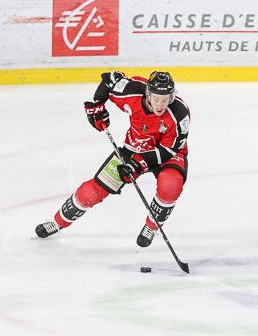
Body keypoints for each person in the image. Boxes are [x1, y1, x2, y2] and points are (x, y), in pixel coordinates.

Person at [36, 71, 191, 247]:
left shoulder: (179, 113)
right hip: (134, 148)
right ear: (148, 93)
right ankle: (57, 222)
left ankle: (151, 226)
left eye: (165, 100)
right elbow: (109, 80)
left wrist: (138, 164)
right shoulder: (132, 91)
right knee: (92, 192)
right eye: (156, 99)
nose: (160, 105)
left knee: (170, 185)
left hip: (167, 153)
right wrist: (97, 106)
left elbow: (170, 149)